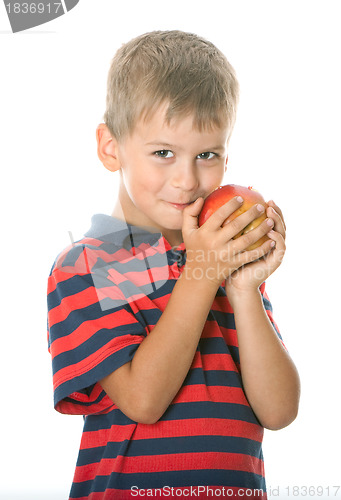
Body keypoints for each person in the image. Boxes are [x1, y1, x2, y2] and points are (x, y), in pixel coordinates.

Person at [47, 30, 300, 499]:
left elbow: (280, 411)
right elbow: (143, 400)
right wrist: (204, 273)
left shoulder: (223, 260)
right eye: (163, 153)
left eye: (207, 155)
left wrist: (243, 289)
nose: (186, 180)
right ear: (111, 148)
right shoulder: (86, 264)